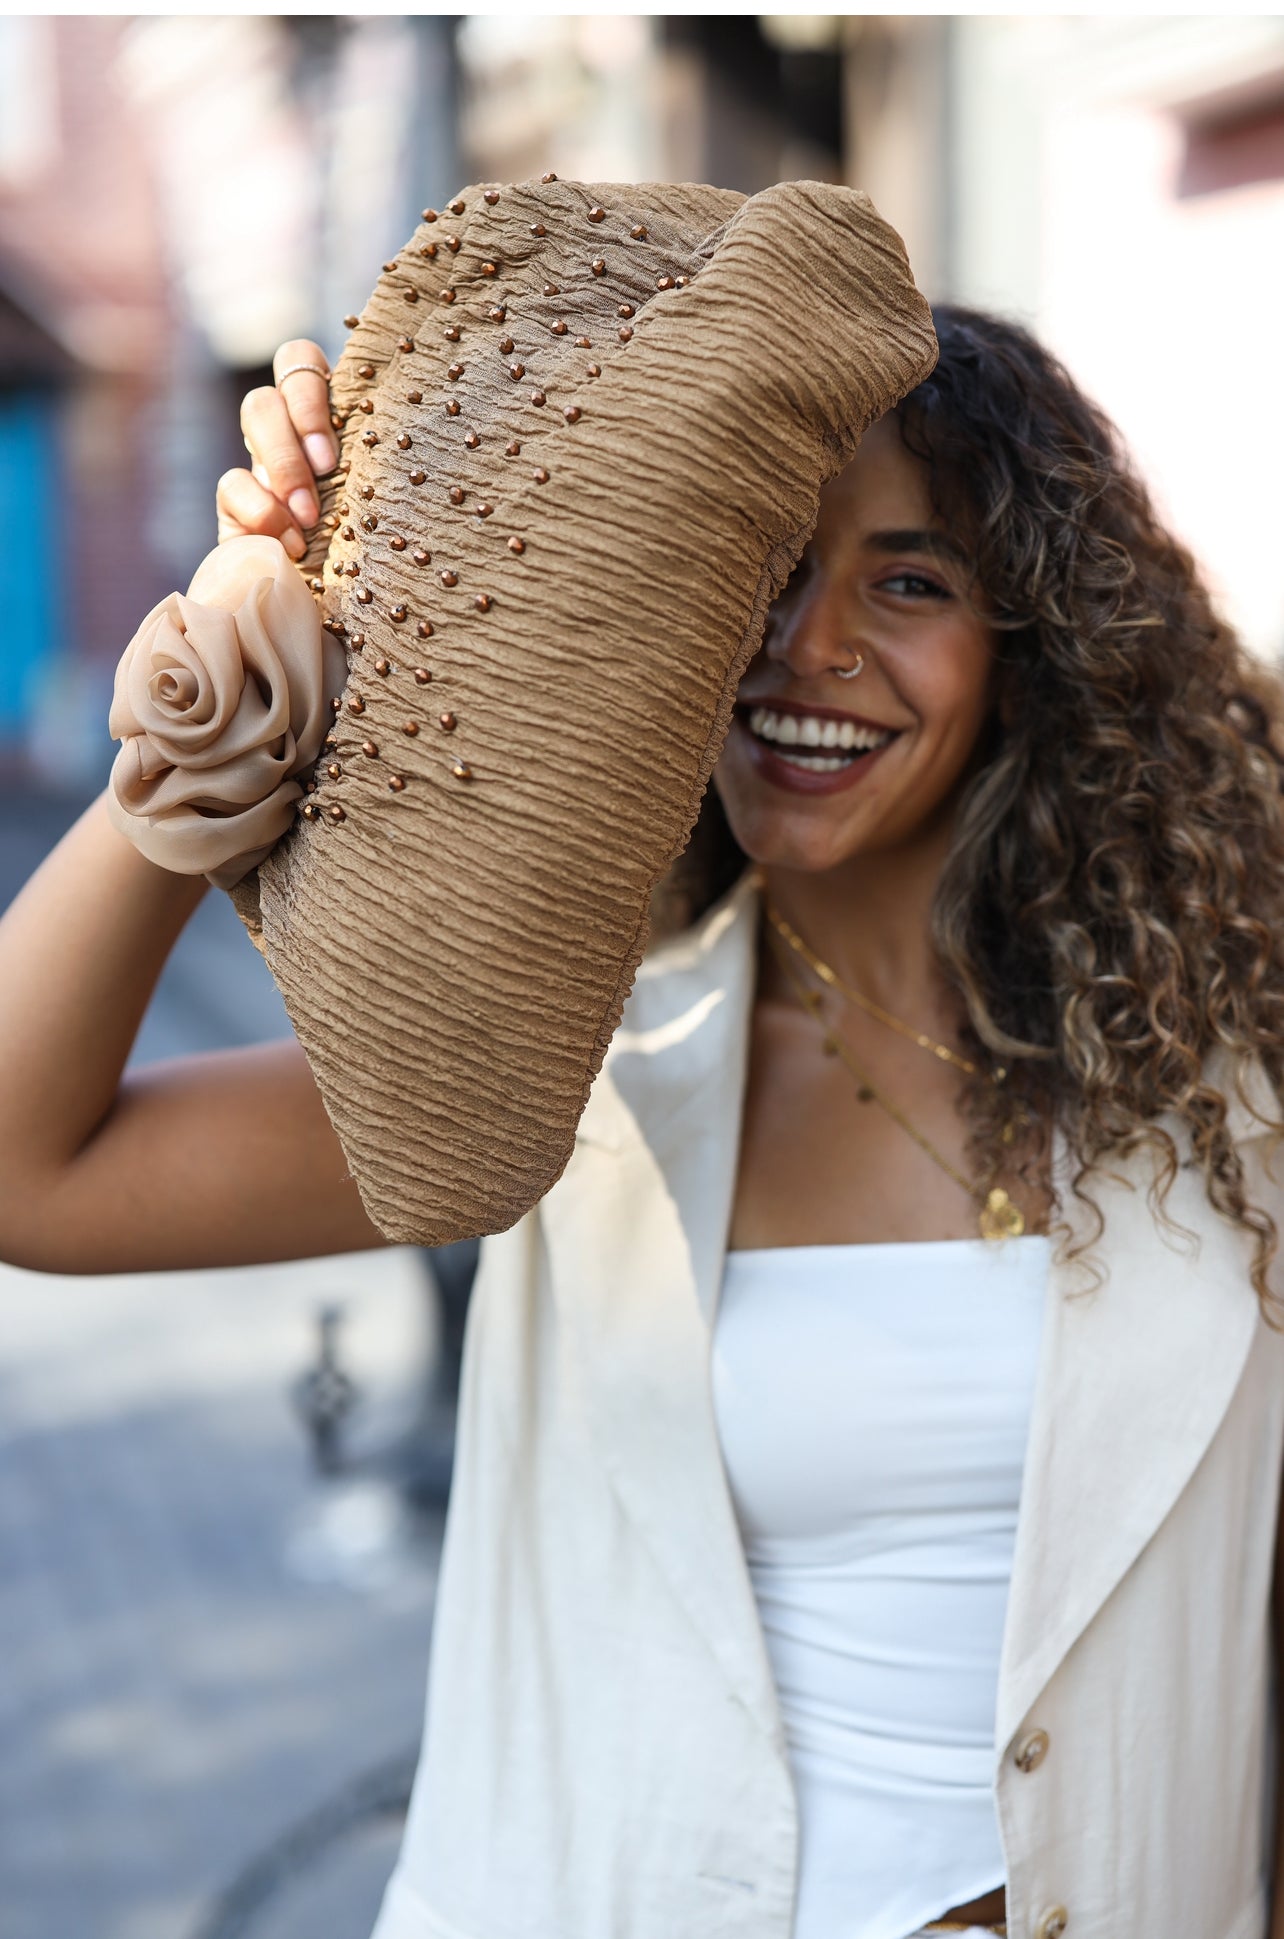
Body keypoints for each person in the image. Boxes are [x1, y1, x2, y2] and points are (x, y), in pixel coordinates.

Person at [3, 302, 1284, 1939]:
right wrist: (212, 697)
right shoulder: (571, 1064)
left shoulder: (1221, 1082)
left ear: (1031, 641)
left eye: (910, 579)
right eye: (760, 569)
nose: (808, 645)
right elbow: (31, 1169)